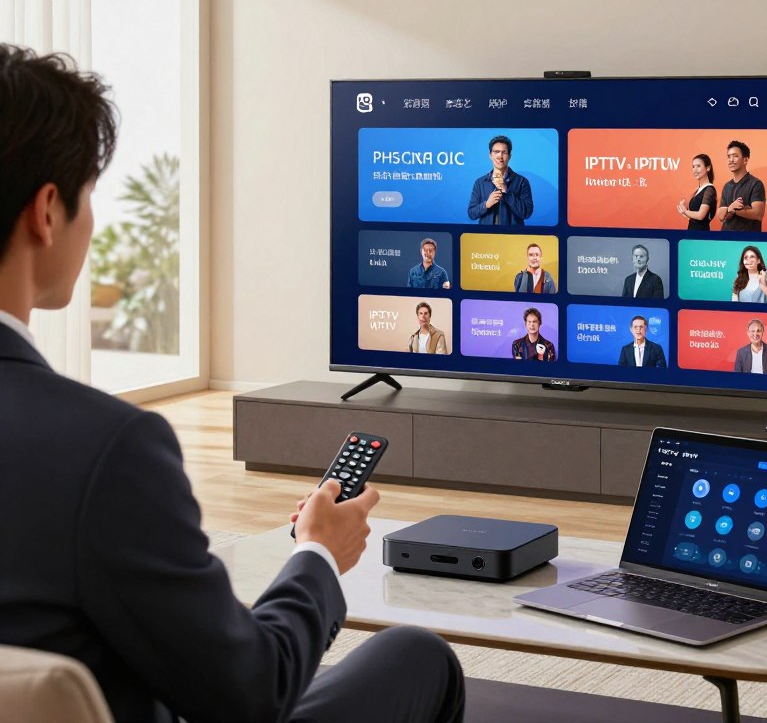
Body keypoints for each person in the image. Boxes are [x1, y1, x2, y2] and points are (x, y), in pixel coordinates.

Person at [0, 44, 464, 723]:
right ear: (47, 211)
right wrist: (319, 554)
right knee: (416, 658)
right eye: (91, 197)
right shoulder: (106, 449)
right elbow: (251, 694)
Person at [467, 135, 534, 225]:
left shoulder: (522, 182)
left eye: (504, 152)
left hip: (512, 237)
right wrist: (486, 204)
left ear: (510, 156)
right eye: (496, 152)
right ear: (490, 155)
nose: (500, 156)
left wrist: (506, 191)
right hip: (486, 237)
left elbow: (526, 213)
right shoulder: (480, 182)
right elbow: (472, 213)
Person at [717, 140, 766, 232]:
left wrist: (733, 211)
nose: (731, 160)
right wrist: (730, 208)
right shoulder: (727, 186)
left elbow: (758, 214)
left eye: (735, 156)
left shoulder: (755, 184)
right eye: (728, 157)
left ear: (745, 160)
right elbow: (720, 215)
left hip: (747, 239)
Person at [676, 154, 717, 231]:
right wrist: (684, 211)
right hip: (691, 232)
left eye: (698, 166)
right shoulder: (697, 190)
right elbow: (693, 219)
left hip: (701, 235)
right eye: (693, 166)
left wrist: (685, 211)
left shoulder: (709, 189)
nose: (695, 170)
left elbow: (700, 216)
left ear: (708, 168)